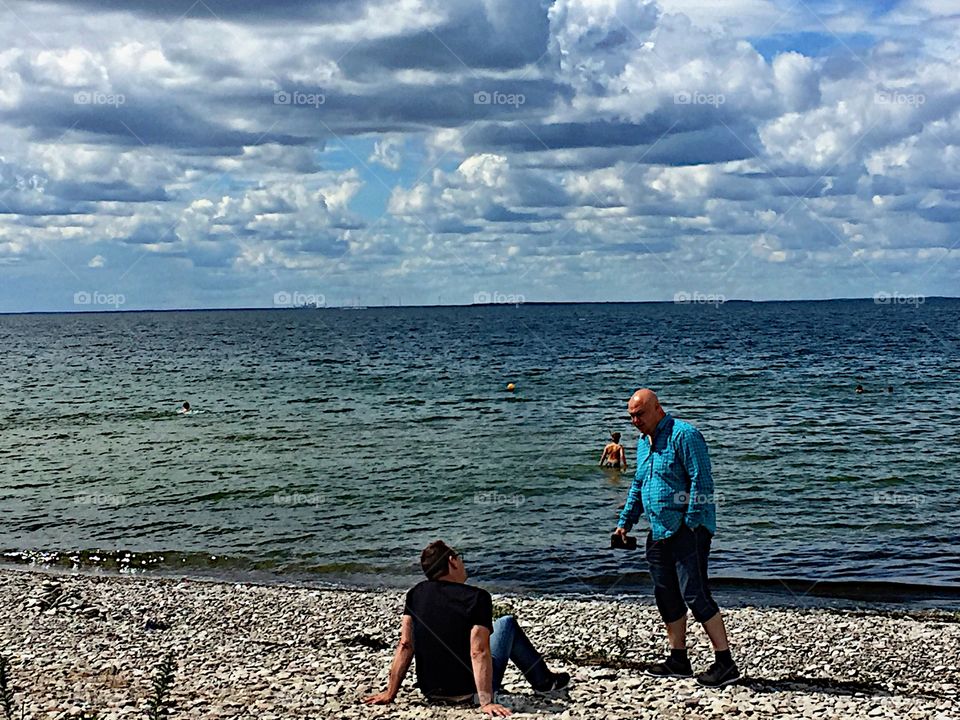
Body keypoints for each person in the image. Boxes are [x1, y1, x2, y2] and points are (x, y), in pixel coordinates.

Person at [613, 389, 740, 688]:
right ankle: (678, 659)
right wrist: (625, 523)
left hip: (688, 530)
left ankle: (725, 663)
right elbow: (639, 484)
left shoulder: (685, 435)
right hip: (657, 531)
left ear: (658, 408)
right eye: (631, 415)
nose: (635, 421)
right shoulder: (644, 444)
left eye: (640, 414)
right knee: (665, 594)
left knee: (695, 594)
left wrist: (691, 523)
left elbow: (702, 481)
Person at [364, 541, 569, 716]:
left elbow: (405, 645)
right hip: (468, 690)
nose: (462, 562)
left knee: (496, 627)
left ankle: (543, 680)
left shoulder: (415, 594)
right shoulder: (477, 597)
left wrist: (390, 693)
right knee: (506, 623)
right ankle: (544, 682)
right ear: (452, 561)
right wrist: (485, 701)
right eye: (459, 557)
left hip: (431, 691)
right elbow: (478, 651)